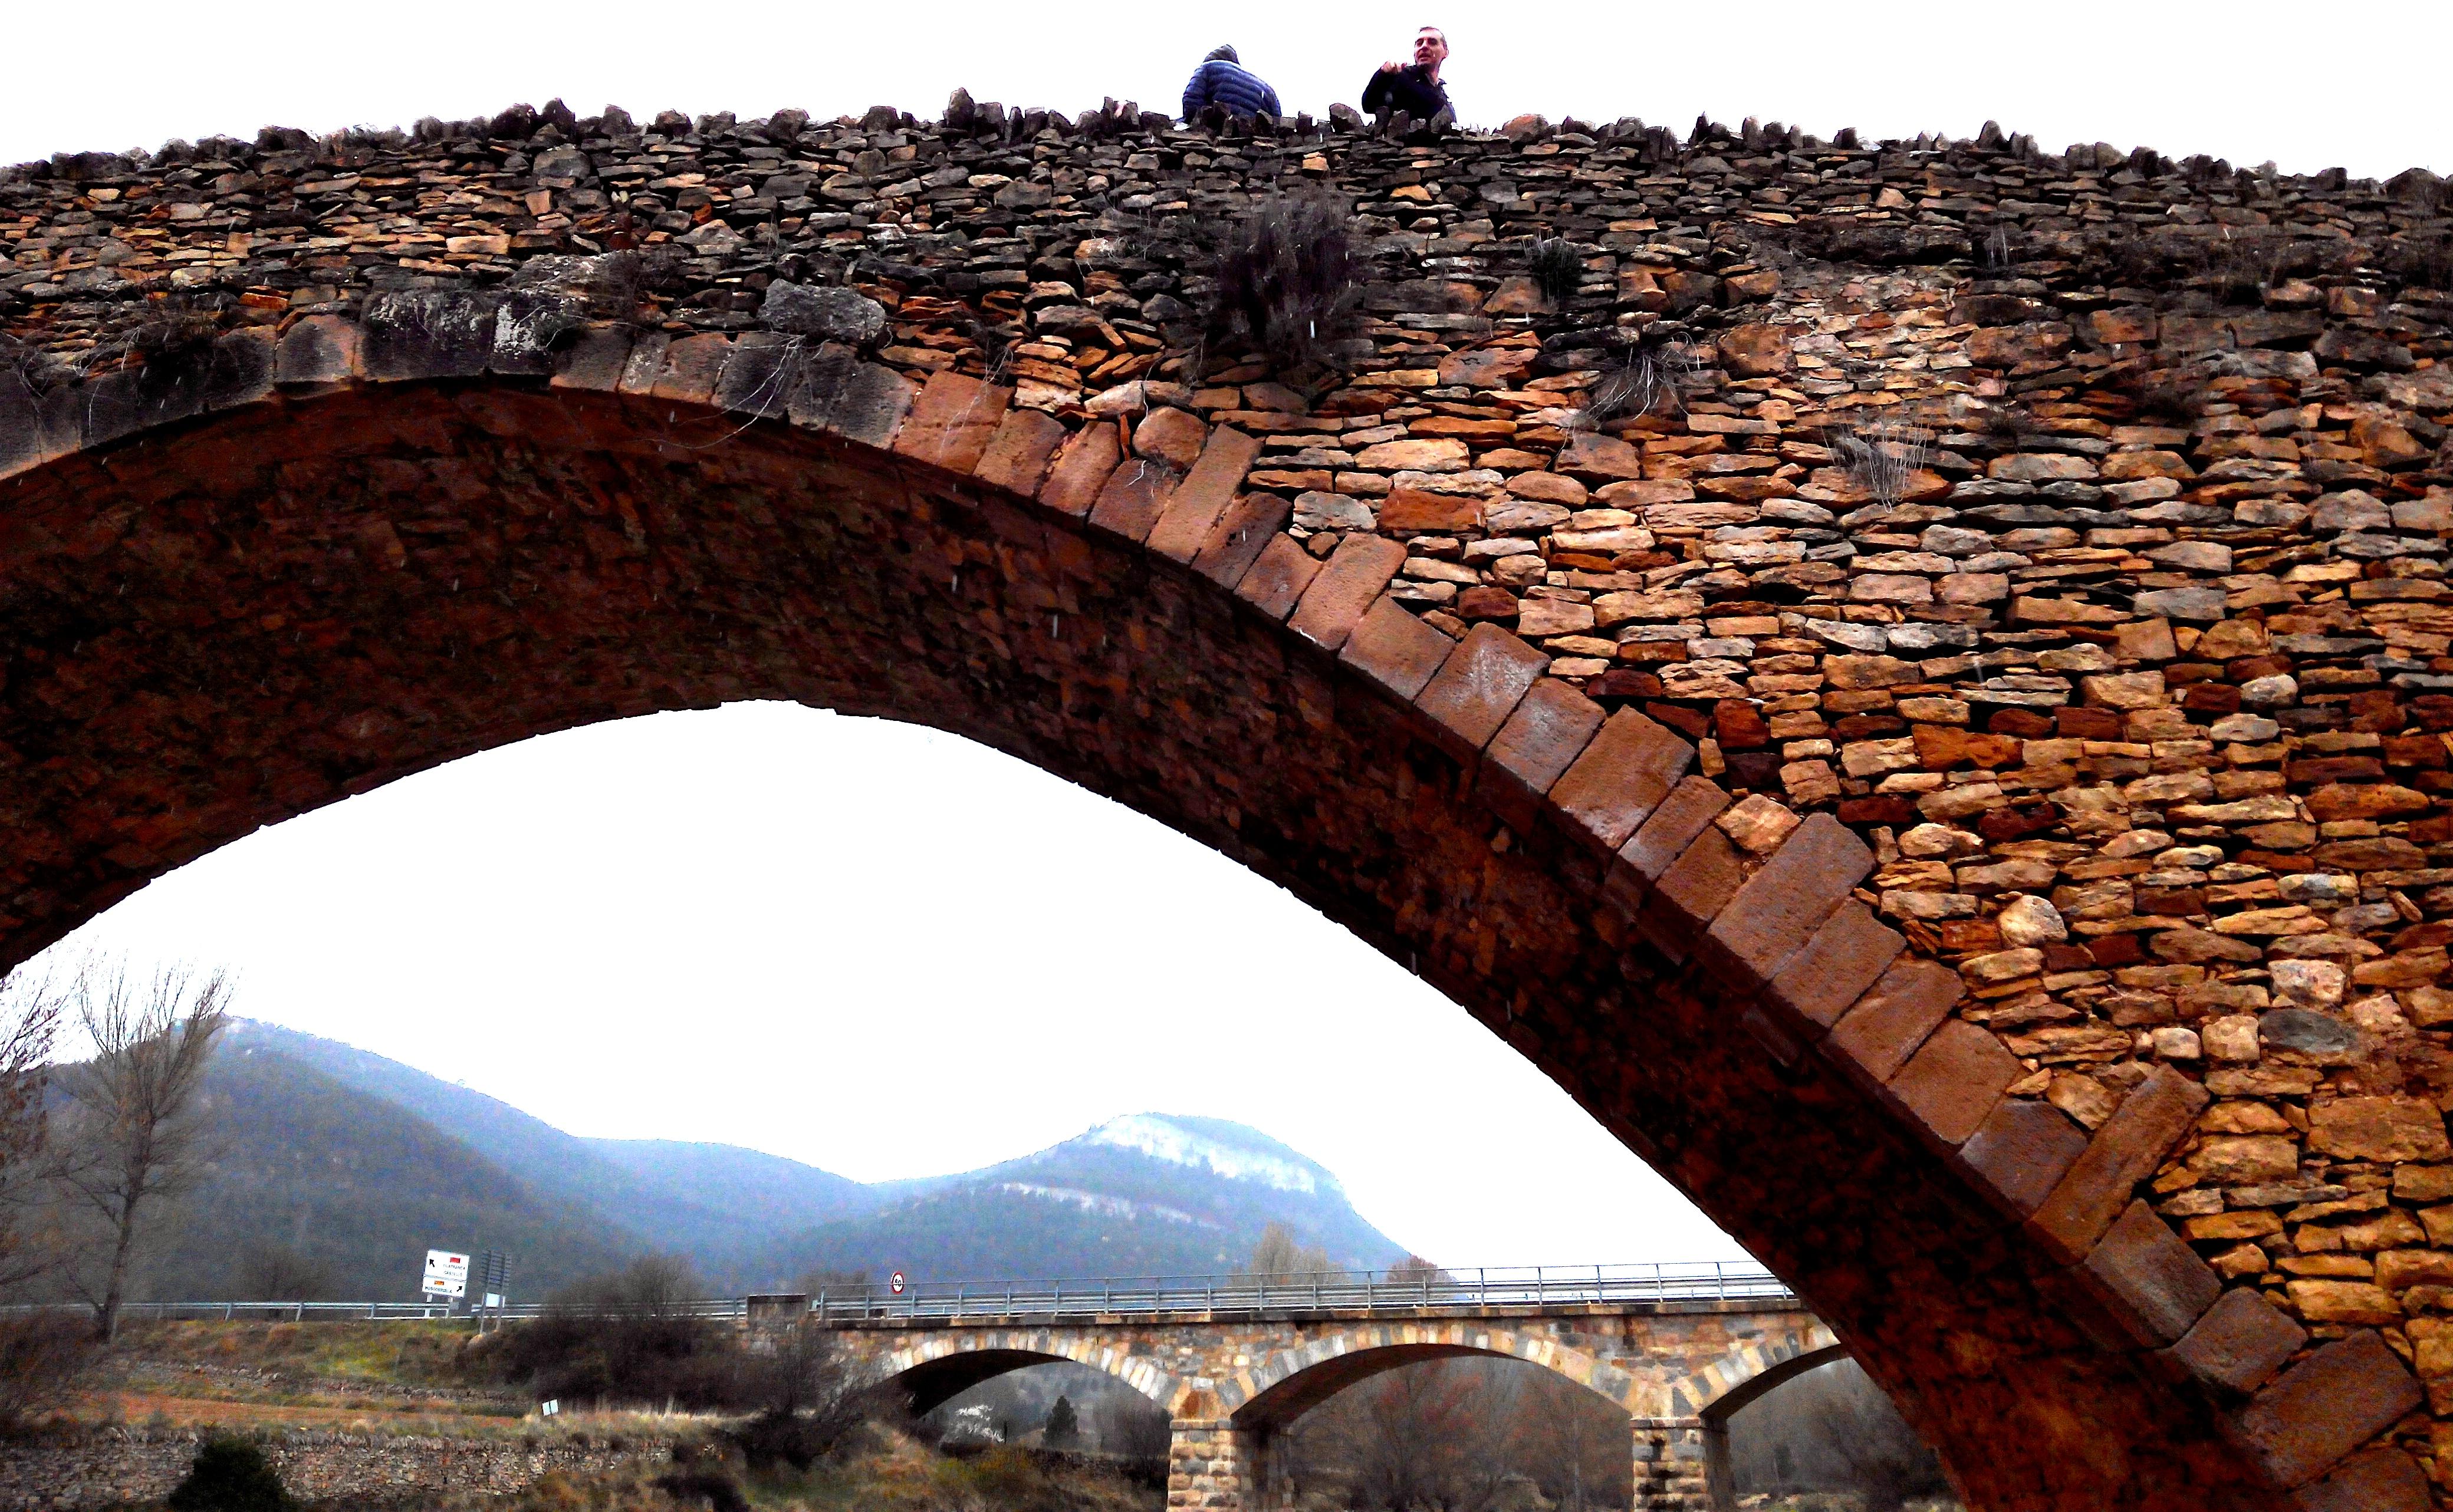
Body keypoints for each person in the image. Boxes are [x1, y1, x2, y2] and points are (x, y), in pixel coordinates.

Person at [1362, 26, 1452, 123]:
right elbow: (1369, 104)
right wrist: (1383, 75)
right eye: (1419, 43)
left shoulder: (1445, 101)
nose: (1424, 46)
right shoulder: (1401, 78)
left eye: (1432, 42)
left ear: (1445, 52)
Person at [1181, 45, 1284, 123]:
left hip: (1217, 133)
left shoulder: (1207, 68)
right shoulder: (1267, 89)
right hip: (1253, 142)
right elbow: (1277, 121)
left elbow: (1191, 100)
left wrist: (1191, 123)